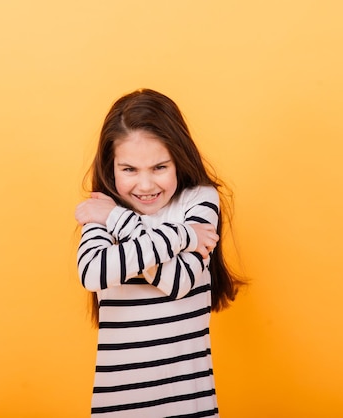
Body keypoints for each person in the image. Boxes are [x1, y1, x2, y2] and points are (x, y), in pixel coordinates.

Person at [75, 88, 242, 417]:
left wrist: (119, 222)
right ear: (111, 167)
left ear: (179, 159)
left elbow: (178, 281)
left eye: (159, 167)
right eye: (129, 170)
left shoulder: (198, 201)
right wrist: (182, 235)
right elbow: (92, 273)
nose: (146, 185)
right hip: (118, 409)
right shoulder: (102, 210)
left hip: (190, 407)